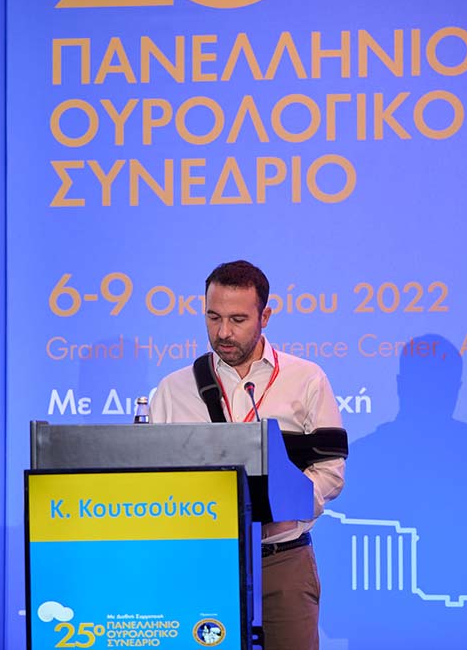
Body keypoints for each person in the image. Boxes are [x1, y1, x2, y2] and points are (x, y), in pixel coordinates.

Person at [151, 260, 346, 650]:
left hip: (282, 561)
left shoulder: (306, 380)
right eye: (213, 317)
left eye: (237, 319)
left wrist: (287, 503)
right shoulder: (173, 390)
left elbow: (330, 472)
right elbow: (152, 479)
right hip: (201, 563)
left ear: (265, 317)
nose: (223, 332)